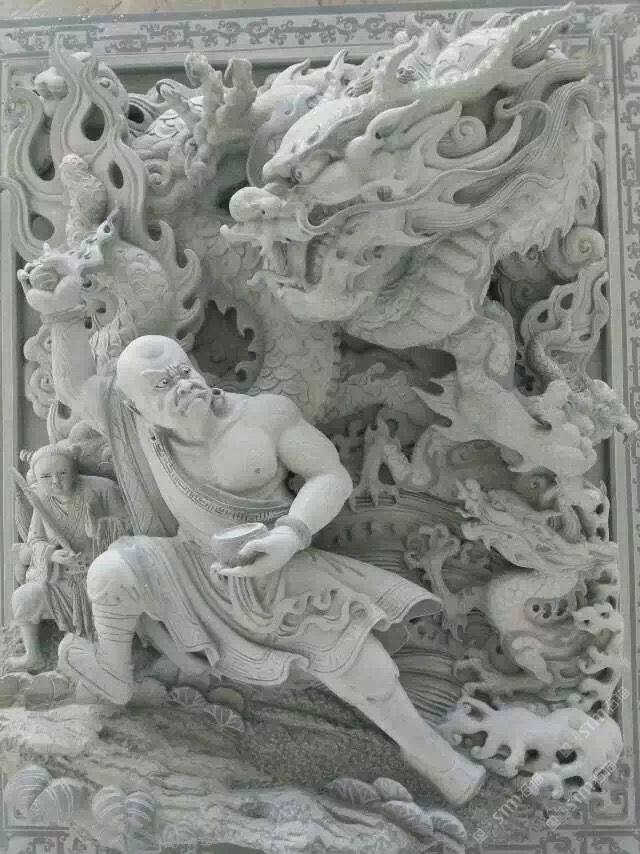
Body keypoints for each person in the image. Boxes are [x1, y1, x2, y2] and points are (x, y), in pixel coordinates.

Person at [20, 260, 486, 806]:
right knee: (110, 572)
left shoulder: (265, 416)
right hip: (193, 565)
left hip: (279, 562)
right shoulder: (136, 429)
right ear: (137, 408)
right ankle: (115, 672)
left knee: (369, 671)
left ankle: (429, 753)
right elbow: (76, 384)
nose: (180, 387)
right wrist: (62, 313)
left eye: (182, 372)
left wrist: (291, 534)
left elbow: (329, 476)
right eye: (160, 387)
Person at [9, 443, 129, 672]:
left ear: (74, 470)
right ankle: (33, 655)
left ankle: (108, 659)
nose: (55, 482)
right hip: (61, 579)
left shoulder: (102, 489)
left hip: (98, 575)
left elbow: (128, 525)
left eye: (62, 473)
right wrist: (53, 554)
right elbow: (34, 540)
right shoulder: (41, 499)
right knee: (24, 596)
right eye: (46, 477)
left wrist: (100, 528)